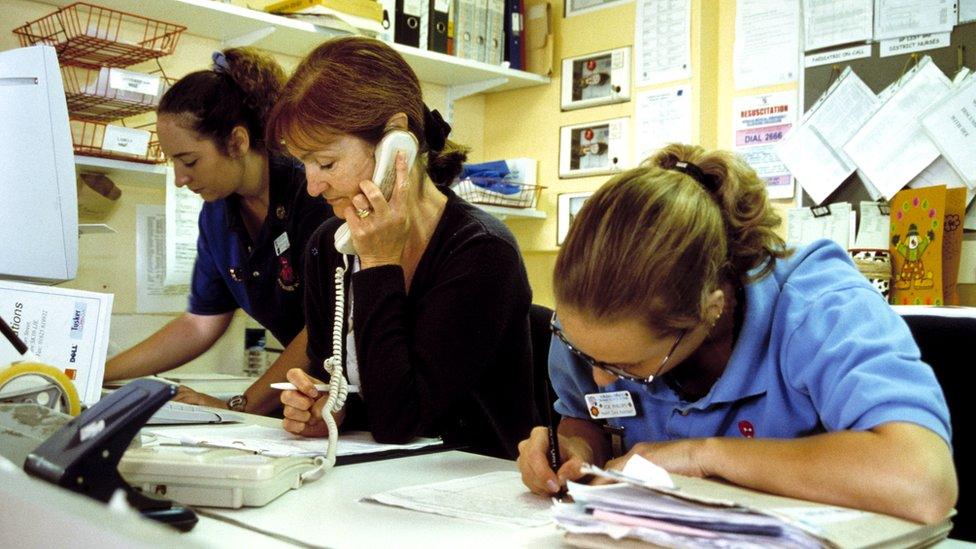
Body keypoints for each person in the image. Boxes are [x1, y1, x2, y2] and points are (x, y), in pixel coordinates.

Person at [517, 143, 957, 524]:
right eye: (580, 350)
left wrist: (702, 455)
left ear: (710, 309)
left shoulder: (818, 308)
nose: (598, 377)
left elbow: (921, 480)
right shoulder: (591, 327)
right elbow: (591, 413)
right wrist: (576, 448)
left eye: (629, 366)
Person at [266, 37, 536, 459]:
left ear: (397, 145)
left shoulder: (482, 252)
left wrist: (378, 264)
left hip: (472, 489)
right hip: (377, 482)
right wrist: (327, 408)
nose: (312, 186)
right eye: (304, 164)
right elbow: (345, 386)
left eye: (326, 163)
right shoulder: (329, 245)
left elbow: (400, 421)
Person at [104, 48, 333, 415]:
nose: (180, 179)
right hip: (301, 398)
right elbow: (200, 323)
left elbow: (323, 329)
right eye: (173, 163)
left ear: (237, 142)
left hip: (356, 394)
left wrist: (239, 406)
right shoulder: (216, 214)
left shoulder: (313, 192)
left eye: (189, 161)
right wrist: (95, 374)